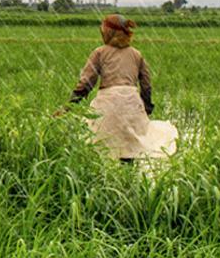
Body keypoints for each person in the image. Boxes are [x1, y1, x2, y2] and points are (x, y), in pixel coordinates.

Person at [56, 14, 177, 161]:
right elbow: (146, 85)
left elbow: (86, 84)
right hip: (131, 104)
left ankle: (107, 181)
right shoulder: (136, 55)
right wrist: (146, 109)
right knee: (131, 149)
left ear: (107, 32)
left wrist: (68, 107)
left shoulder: (100, 53)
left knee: (100, 147)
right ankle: (129, 180)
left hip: (108, 105)